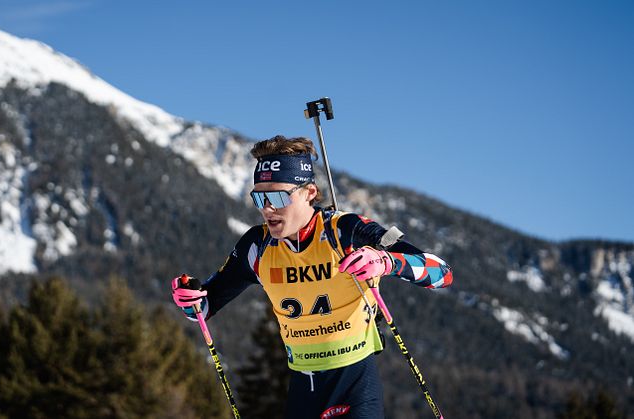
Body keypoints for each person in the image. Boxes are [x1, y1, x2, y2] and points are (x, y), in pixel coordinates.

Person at [171, 135, 453, 418]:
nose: (267, 208)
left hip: (354, 383)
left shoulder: (345, 231)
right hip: (303, 388)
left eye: (279, 196)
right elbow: (203, 309)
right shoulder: (257, 246)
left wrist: (386, 261)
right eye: (259, 197)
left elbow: (441, 273)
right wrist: (189, 298)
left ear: (309, 192)